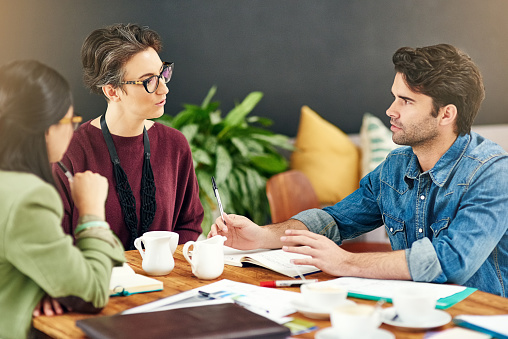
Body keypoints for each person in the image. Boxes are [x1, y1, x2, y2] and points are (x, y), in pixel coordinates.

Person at [209, 44, 508, 297]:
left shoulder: (493, 174)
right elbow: (335, 219)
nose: (391, 110)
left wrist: (346, 263)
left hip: (478, 318)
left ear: (446, 114)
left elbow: (451, 261)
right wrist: (261, 236)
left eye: (405, 101)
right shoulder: (396, 166)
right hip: (412, 309)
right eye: (395, 96)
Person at [0, 60, 125, 339]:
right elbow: (91, 292)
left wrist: (42, 285)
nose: (73, 130)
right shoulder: (28, 198)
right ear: (46, 129)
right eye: (71, 121)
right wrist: (93, 213)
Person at [54, 24, 204, 250]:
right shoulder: (69, 152)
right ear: (112, 91)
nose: (164, 89)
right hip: (99, 282)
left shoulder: (175, 144)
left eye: (162, 73)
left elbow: (189, 225)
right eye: (149, 80)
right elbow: (59, 243)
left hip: (167, 281)